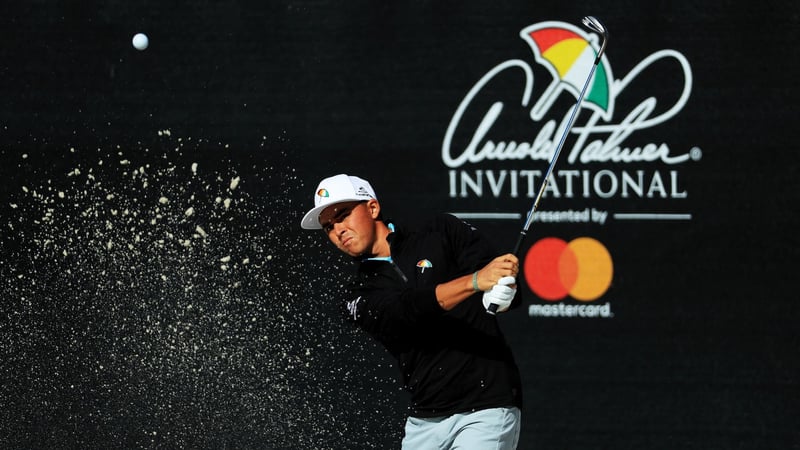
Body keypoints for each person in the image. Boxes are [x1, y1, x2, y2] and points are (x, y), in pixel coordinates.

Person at [301, 174, 523, 449]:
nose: (338, 230)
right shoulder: (356, 295)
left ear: (372, 208)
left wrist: (504, 292)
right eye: (328, 227)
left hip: (487, 405)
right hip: (425, 421)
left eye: (343, 215)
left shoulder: (440, 230)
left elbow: (499, 277)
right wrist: (475, 282)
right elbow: (407, 310)